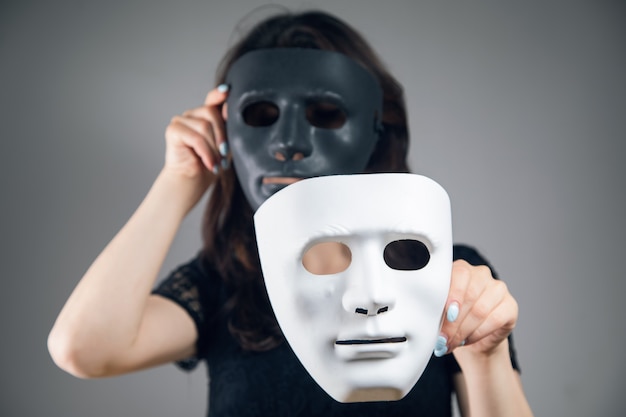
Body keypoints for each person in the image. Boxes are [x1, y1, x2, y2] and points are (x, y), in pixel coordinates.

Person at [48, 9, 534, 417]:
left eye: (325, 114)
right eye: (261, 116)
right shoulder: (224, 283)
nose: (287, 145)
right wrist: (179, 180)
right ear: (227, 131)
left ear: (375, 130)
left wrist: (484, 354)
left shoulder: (441, 274)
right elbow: (83, 349)